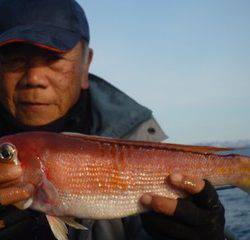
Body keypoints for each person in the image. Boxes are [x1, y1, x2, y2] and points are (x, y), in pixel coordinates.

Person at [0, 0, 226, 239]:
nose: (34, 77)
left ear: (86, 65)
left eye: (54, 59)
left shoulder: (141, 144)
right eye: (15, 59)